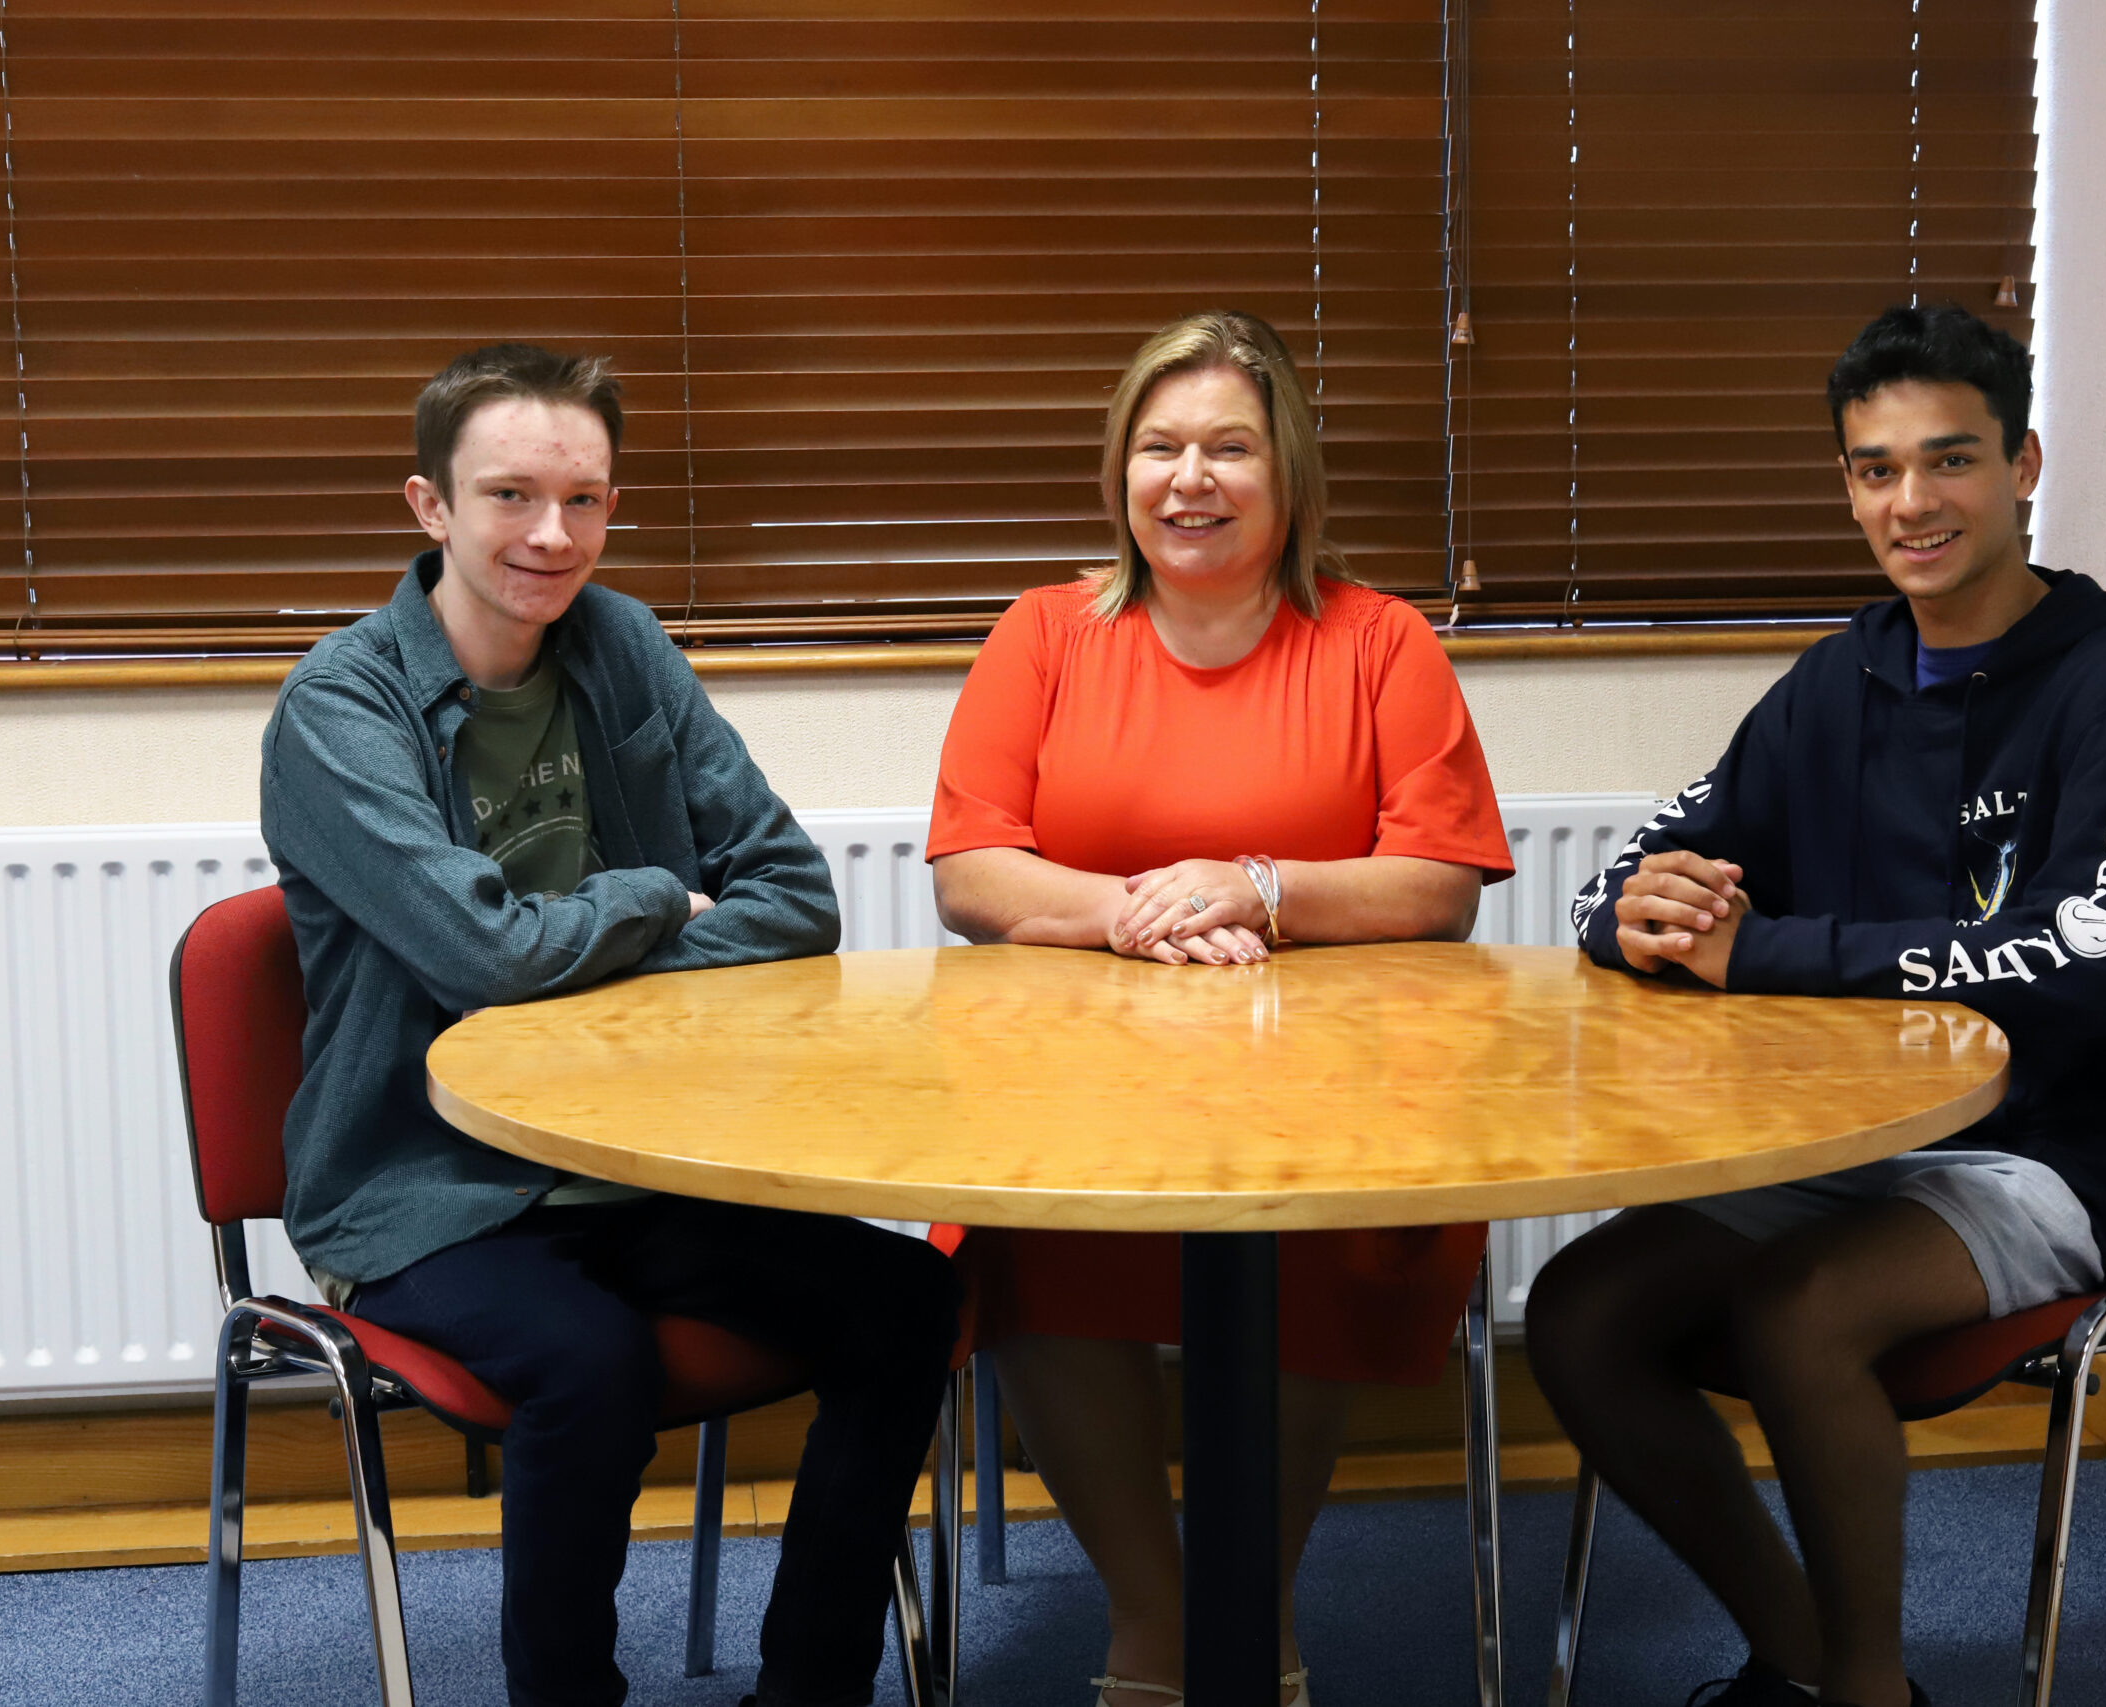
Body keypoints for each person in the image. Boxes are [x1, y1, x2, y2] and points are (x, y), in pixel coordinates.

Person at [259, 343, 959, 1707]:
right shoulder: (339, 710)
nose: (551, 534)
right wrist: (648, 895)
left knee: (909, 1300)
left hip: (637, 1162)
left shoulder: (623, 645)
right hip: (425, 1187)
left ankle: (811, 1693)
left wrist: (559, 946)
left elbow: (793, 898)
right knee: (591, 1365)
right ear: (430, 506)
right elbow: (477, 954)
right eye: (510, 496)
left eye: (584, 500)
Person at [1524, 304, 2106, 1707]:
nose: (1913, 502)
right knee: (1580, 1309)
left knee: (1801, 1310)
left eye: (1949, 460)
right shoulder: (1840, 678)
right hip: (1858, 1141)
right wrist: (1628, 918)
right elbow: (1645, 868)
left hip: (2058, 1149)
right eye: (1876, 469)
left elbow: (2079, 961)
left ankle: (1872, 1692)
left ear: (2021, 464)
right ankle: (1800, 1663)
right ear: (1847, 485)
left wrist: (1761, 953)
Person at [927, 310, 1515, 1706]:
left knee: (1311, 1241)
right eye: (1160, 446)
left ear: (1289, 469)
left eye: (1230, 448)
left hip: (1330, 1085)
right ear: (1121, 471)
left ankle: (1254, 1611)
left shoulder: (1380, 641)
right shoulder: (1044, 632)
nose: (1190, 478)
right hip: (1080, 1082)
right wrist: (1137, 914)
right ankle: (1160, 1625)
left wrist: (1259, 887)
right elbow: (970, 869)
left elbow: (1440, 884)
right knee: (1031, 1244)